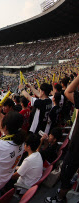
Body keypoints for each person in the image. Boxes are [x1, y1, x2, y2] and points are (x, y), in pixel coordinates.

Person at [45, 73, 79, 203]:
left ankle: (59, 198)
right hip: (74, 142)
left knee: (66, 172)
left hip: (76, 145)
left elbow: (69, 91)